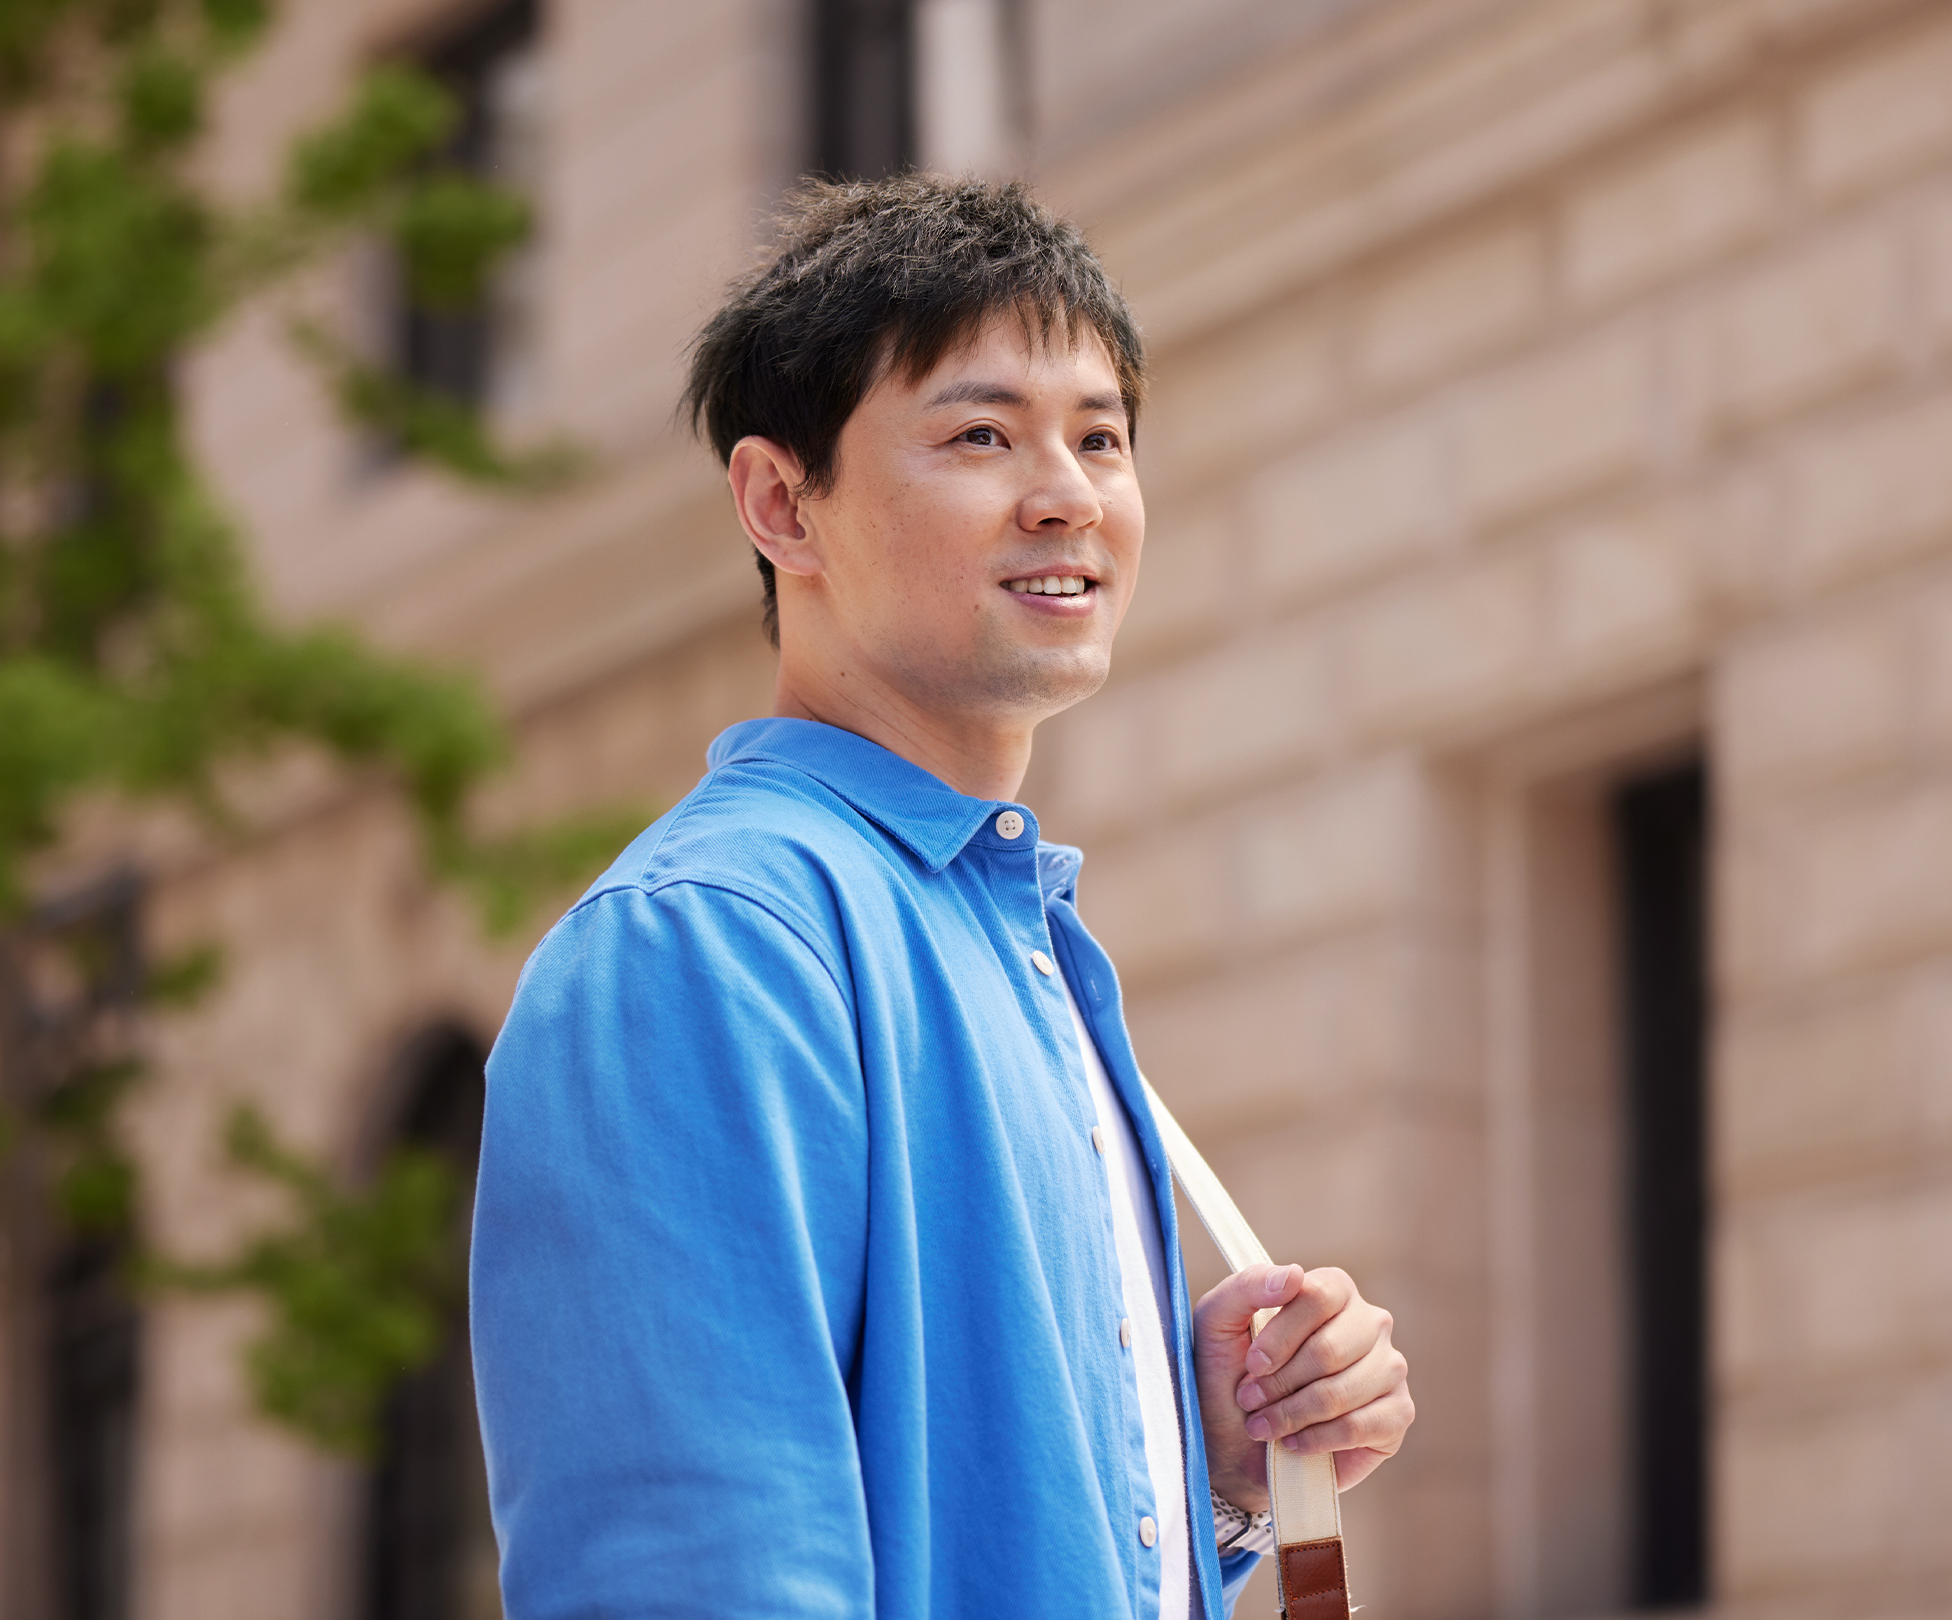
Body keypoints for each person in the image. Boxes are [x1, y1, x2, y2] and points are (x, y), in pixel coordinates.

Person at [470, 174, 1414, 1620]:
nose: (1069, 495)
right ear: (784, 502)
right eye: (981, 435)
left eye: (1101, 438)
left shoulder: (1017, 938)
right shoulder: (709, 943)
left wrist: (1192, 1460)